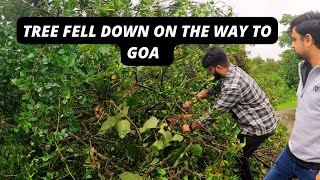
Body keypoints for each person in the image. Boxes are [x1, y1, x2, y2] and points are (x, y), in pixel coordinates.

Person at [181, 46, 277, 180]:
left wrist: (190, 127)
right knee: (236, 153)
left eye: (210, 70)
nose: (210, 73)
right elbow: (211, 89)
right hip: (260, 119)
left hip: (260, 126)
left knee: (237, 157)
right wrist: (191, 101)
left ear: (219, 67)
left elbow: (213, 114)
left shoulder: (233, 85)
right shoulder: (230, 72)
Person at [264, 11, 320, 180]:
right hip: (289, 155)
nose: (292, 45)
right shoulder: (304, 69)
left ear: (308, 40)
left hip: (313, 169)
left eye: (294, 39)